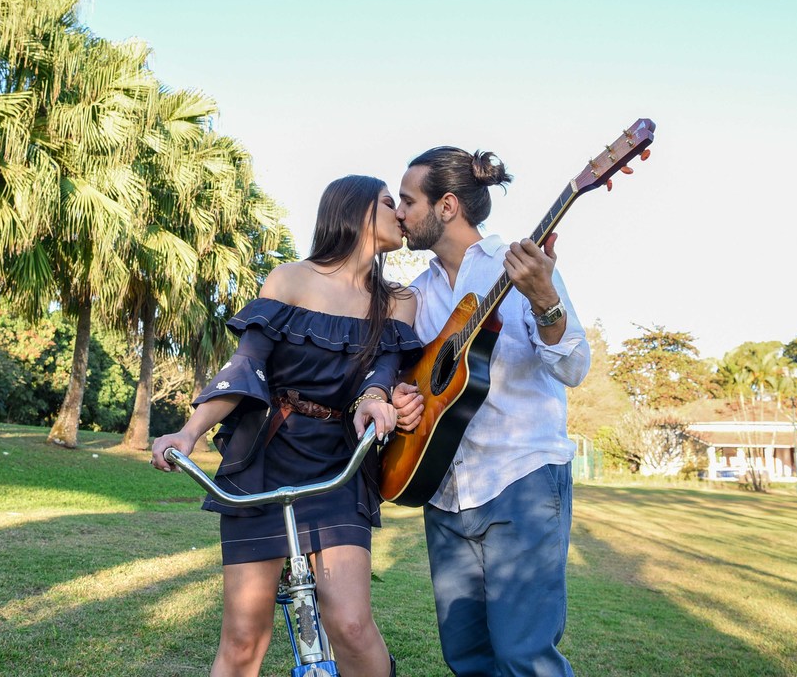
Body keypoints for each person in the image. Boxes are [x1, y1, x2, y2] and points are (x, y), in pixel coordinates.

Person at [152, 175, 423, 677]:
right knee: (242, 636)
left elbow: (382, 372)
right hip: (265, 460)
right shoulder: (290, 278)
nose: (402, 214)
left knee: (352, 625)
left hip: (340, 464)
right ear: (358, 211)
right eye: (391, 203)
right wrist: (187, 432)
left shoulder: (399, 299)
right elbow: (247, 366)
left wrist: (374, 398)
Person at [391, 146, 591, 676]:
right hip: (444, 489)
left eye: (408, 202)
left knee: (524, 657)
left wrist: (544, 298)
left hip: (520, 477)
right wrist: (403, 395)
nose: (399, 214)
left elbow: (573, 366)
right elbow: (406, 378)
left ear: (448, 205)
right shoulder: (416, 293)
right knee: (468, 657)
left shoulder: (521, 267)